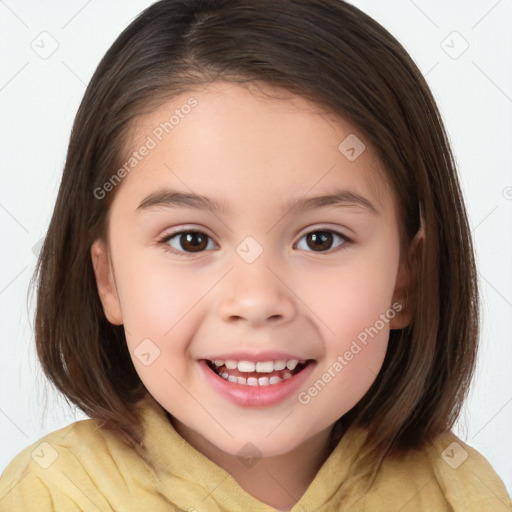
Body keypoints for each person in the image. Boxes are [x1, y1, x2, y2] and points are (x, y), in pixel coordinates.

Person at [0, 0, 510, 510]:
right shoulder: (48, 496)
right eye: (191, 240)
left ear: (405, 281)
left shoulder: (459, 494)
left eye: (321, 239)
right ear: (108, 278)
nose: (256, 300)